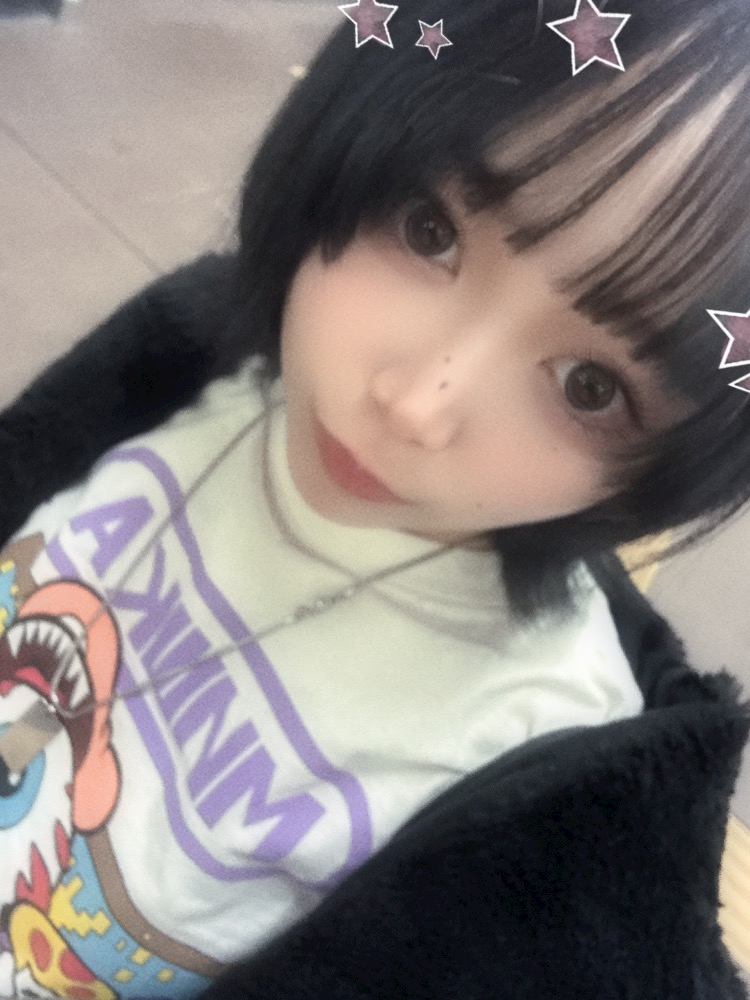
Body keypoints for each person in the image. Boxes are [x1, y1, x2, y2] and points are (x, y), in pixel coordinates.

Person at [0, 0, 749, 996]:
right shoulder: (196, 362)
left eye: (589, 388)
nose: (415, 405)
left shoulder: (531, 766)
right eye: (428, 229)